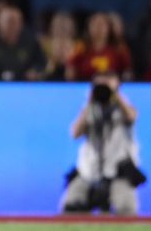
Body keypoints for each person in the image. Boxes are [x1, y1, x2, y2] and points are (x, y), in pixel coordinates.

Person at [61, 72, 144, 215]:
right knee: (70, 206)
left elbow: (131, 116)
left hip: (118, 169)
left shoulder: (123, 108)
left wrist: (114, 94)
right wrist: (89, 102)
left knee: (126, 209)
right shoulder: (89, 109)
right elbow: (74, 132)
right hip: (89, 170)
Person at [67, 12, 133, 82]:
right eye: (95, 25)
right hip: (85, 86)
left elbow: (127, 71)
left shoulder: (118, 47)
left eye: (102, 25)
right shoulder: (80, 47)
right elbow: (70, 69)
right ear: (88, 27)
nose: (98, 28)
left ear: (109, 28)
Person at [0, 6, 45, 81]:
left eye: (16, 22)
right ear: (0, 23)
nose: (12, 26)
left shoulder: (31, 41)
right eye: (9, 22)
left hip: (22, 85)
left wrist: (35, 70)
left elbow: (41, 62)